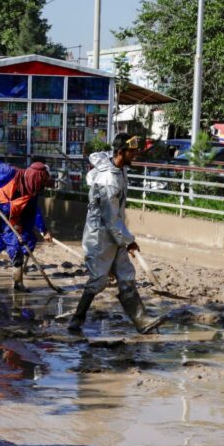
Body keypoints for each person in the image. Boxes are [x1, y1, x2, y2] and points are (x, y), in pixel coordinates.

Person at [69, 134, 165, 334]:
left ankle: (141, 320)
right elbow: (110, 217)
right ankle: (77, 320)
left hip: (116, 230)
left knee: (126, 274)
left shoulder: (119, 169)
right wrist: (129, 241)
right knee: (99, 280)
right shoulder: (109, 181)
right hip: (101, 234)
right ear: (121, 153)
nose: (135, 154)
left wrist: (124, 239)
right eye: (132, 152)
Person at [0, 161, 53, 291]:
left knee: (16, 249)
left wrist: (40, 230)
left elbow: (33, 213)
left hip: (11, 220)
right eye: (43, 181)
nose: (42, 185)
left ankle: (18, 282)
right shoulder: (9, 173)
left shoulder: (33, 190)